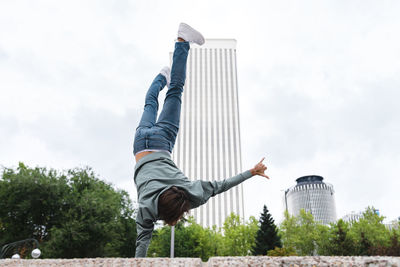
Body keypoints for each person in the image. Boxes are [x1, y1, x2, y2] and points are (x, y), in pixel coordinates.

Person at [133, 23, 269, 258]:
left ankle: (182, 42)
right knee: (150, 103)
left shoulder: (190, 192)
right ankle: (160, 77)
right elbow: (142, 242)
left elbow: (221, 185)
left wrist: (251, 172)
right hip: (139, 145)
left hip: (162, 141)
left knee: (176, 90)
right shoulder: (146, 208)